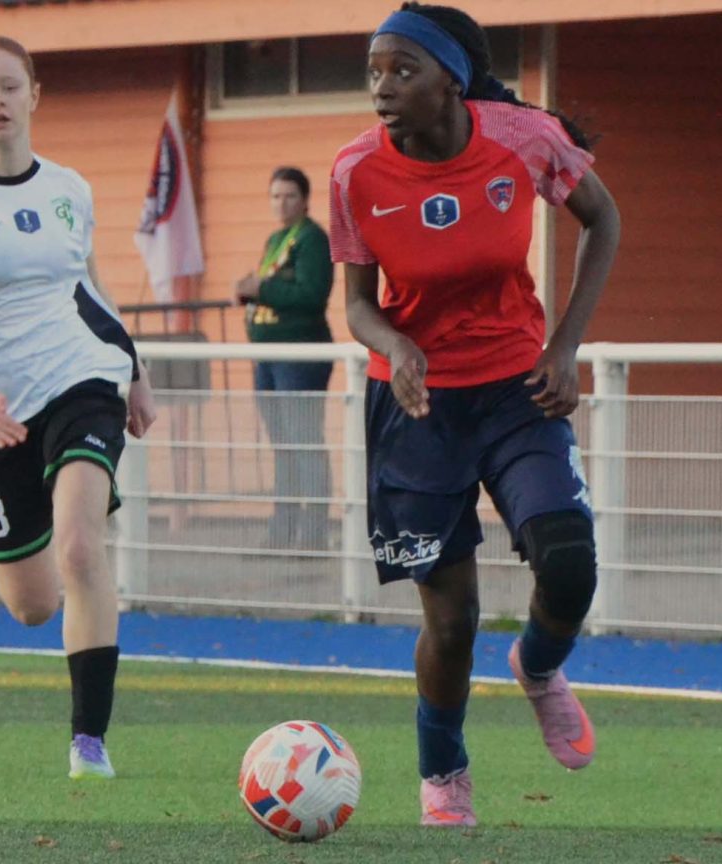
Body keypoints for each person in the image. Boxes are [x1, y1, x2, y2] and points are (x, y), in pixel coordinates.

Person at [329, 3, 620, 827]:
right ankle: (443, 772)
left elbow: (603, 219)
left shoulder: (520, 138)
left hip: (515, 390)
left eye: (403, 70)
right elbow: (354, 306)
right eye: (374, 71)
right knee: (451, 622)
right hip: (415, 403)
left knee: (569, 565)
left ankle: (537, 666)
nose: (382, 88)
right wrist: (396, 342)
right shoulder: (355, 171)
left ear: (451, 80)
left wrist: (564, 346)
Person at [0, 35, 157, 781]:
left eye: (9, 86)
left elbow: (93, 290)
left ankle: (89, 743)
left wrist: (135, 373)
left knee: (82, 545)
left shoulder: (69, 190)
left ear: (34, 95)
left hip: (80, 377)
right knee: (33, 607)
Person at [234, 167, 334, 547]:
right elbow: (272, 289)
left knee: (303, 442)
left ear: (305, 200)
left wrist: (264, 288)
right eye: (275, 196)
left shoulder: (312, 239)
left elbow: (311, 295)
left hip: (300, 355)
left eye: (289, 196)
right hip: (269, 356)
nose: (282, 203)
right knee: (282, 447)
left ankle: (313, 536)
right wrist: (250, 291)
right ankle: (281, 532)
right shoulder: (276, 238)